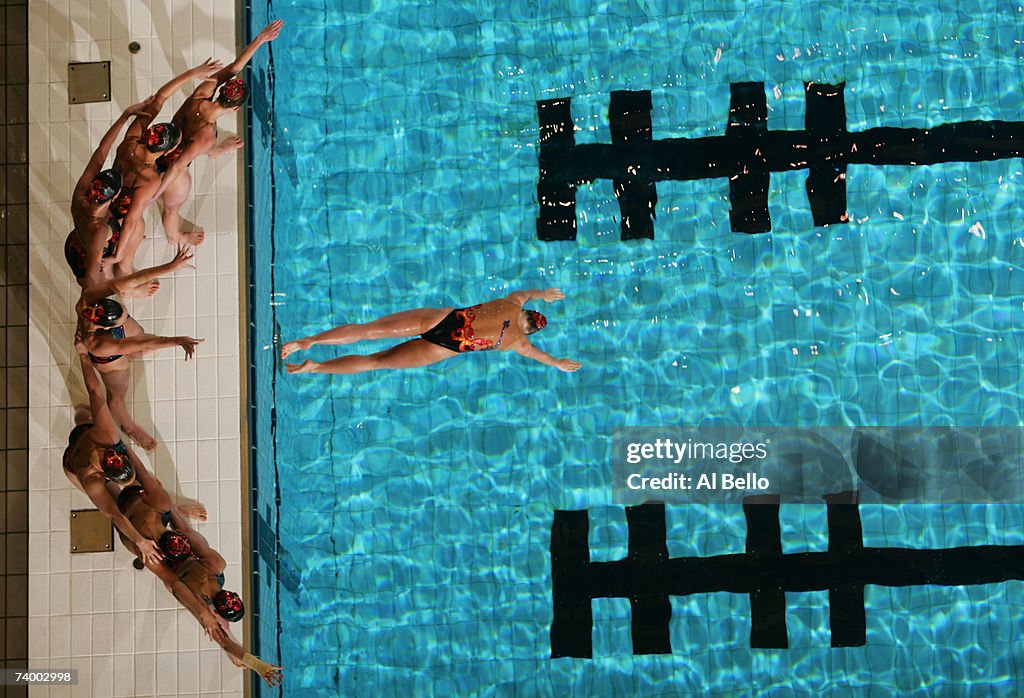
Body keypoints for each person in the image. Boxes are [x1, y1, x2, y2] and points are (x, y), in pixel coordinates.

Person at [116, 490, 282, 686]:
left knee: (168, 518)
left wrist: (171, 508)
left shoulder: (215, 565)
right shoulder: (193, 595)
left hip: (167, 542)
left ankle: (173, 509)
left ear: (234, 594)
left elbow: (186, 532)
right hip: (159, 557)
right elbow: (223, 641)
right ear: (215, 609)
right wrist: (256, 664)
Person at [64, 345, 204, 567]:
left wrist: (84, 356)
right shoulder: (90, 476)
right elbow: (114, 515)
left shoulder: (108, 437)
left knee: (83, 412)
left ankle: (173, 508)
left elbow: (95, 392)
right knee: (121, 503)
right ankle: (172, 509)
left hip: (91, 441)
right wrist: (140, 542)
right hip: (72, 465)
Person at [153, 19, 284, 245]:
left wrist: (260, 38)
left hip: (160, 145)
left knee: (200, 146)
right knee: (172, 208)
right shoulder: (206, 134)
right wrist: (158, 191)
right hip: (171, 167)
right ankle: (175, 237)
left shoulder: (202, 93)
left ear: (222, 91)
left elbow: (233, 69)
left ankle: (219, 151)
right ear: (235, 109)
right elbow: (177, 166)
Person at [75, 245, 203, 449]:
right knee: (116, 398)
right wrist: (177, 340)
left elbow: (133, 279)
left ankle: (133, 351)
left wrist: (170, 266)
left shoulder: (91, 297)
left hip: (114, 336)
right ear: (105, 326)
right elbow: (140, 343)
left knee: (139, 335)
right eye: (120, 320)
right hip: (109, 361)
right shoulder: (98, 344)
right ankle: (129, 427)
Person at [282, 288, 582, 374]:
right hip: (445, 348)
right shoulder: (519, 343)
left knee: (367, 331)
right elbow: (542, 357)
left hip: (440, 320)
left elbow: (527, 293)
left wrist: (544, 294)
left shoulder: (513, 302)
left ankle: (309, 341)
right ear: (528, 331)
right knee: (375, 362)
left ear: (525, 312)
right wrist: (558, 363)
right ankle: (315, 367)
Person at [106, 59, 225, 275]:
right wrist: (118, 254)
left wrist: (192, 73)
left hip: (107, 198)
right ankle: (128, 284)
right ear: (166, 152)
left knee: (132, 230)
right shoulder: (149, 179)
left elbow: (160, 97)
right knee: (126, 257)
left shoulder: (133, 136)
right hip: (121, 219)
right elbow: (131, 219)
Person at [65, 98, 154, 288]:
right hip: (91, 257)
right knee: (109, 280)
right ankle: (129, 290)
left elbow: (102, 151)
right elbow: (91, 277)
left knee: (134, 226)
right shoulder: (100, 229)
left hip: (74, 245)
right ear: (114, 197)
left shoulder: (80, 194)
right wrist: (91, 296)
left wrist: (125, 115)